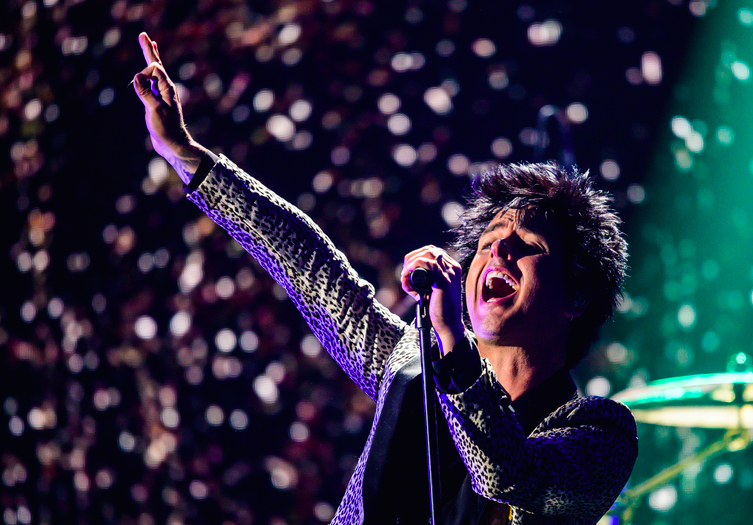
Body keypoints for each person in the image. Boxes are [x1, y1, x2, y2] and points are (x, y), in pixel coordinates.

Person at [131, 32, 637, 524]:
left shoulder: (599, 434)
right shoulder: (412, 363)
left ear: (575, 294)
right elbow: (305, 264)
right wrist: (185, 153)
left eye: (527, 247)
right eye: (487, 243)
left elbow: (507, 473)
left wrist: (455, 352)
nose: (498, 249)